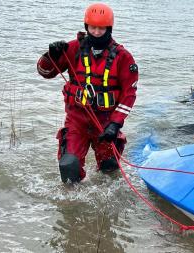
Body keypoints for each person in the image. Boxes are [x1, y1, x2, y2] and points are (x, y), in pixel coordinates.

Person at [37, 3, 138, 183]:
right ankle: (73, 205)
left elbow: (129, 94)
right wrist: (50, 55)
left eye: (101, 28)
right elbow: (46, 72)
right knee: (69, 167)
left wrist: (115, 124)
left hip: (105, 122)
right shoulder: (73, 48)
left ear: (109, 28)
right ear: (86, 27)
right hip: (77, 119)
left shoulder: (124, 57)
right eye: (93, 27)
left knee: (110, 169)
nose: (97, 32)